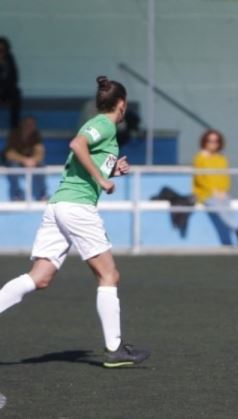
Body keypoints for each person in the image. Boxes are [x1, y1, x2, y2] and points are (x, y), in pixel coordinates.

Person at [0, 76, 149, 368]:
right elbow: (77, 144)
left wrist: (111, 171)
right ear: (122, 104)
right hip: (77, 208)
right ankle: (115, 348)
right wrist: (101, 178)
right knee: (109, 275)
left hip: (59, 206)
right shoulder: (104, 124)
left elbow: (82, 157)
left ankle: (115, 347)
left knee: (39, 277)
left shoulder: (104, 129)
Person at [193, 129, 238, 245]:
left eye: (216, 141)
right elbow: (200, 178)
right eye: (209, 141)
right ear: (204, 142)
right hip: (205, 193)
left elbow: (225, 177)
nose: (213, 144)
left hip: (221, 193)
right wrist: (212, 191)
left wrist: (223, 191)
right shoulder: (200, 158)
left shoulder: (221, 158)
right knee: (220, 208)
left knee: (228, 209)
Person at [3, 116, 47, 201]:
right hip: (16, 161)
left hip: (30, 161)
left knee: (41, 165)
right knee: (13, 167)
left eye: (32, 124)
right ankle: (16, 195)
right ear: (22, 124)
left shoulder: (36, 135)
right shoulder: (14, 134)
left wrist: (34, 160)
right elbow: (9, 153)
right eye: (28, 124)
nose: (30, 126)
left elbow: (40, 152)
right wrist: (24, 160)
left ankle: (42, 194)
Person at [0, 37, 21, 128]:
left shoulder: (9, 58)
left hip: (7, 88)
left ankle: (14, 125)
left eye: (2, 50)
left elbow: (14, 75)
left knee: (16, 93)